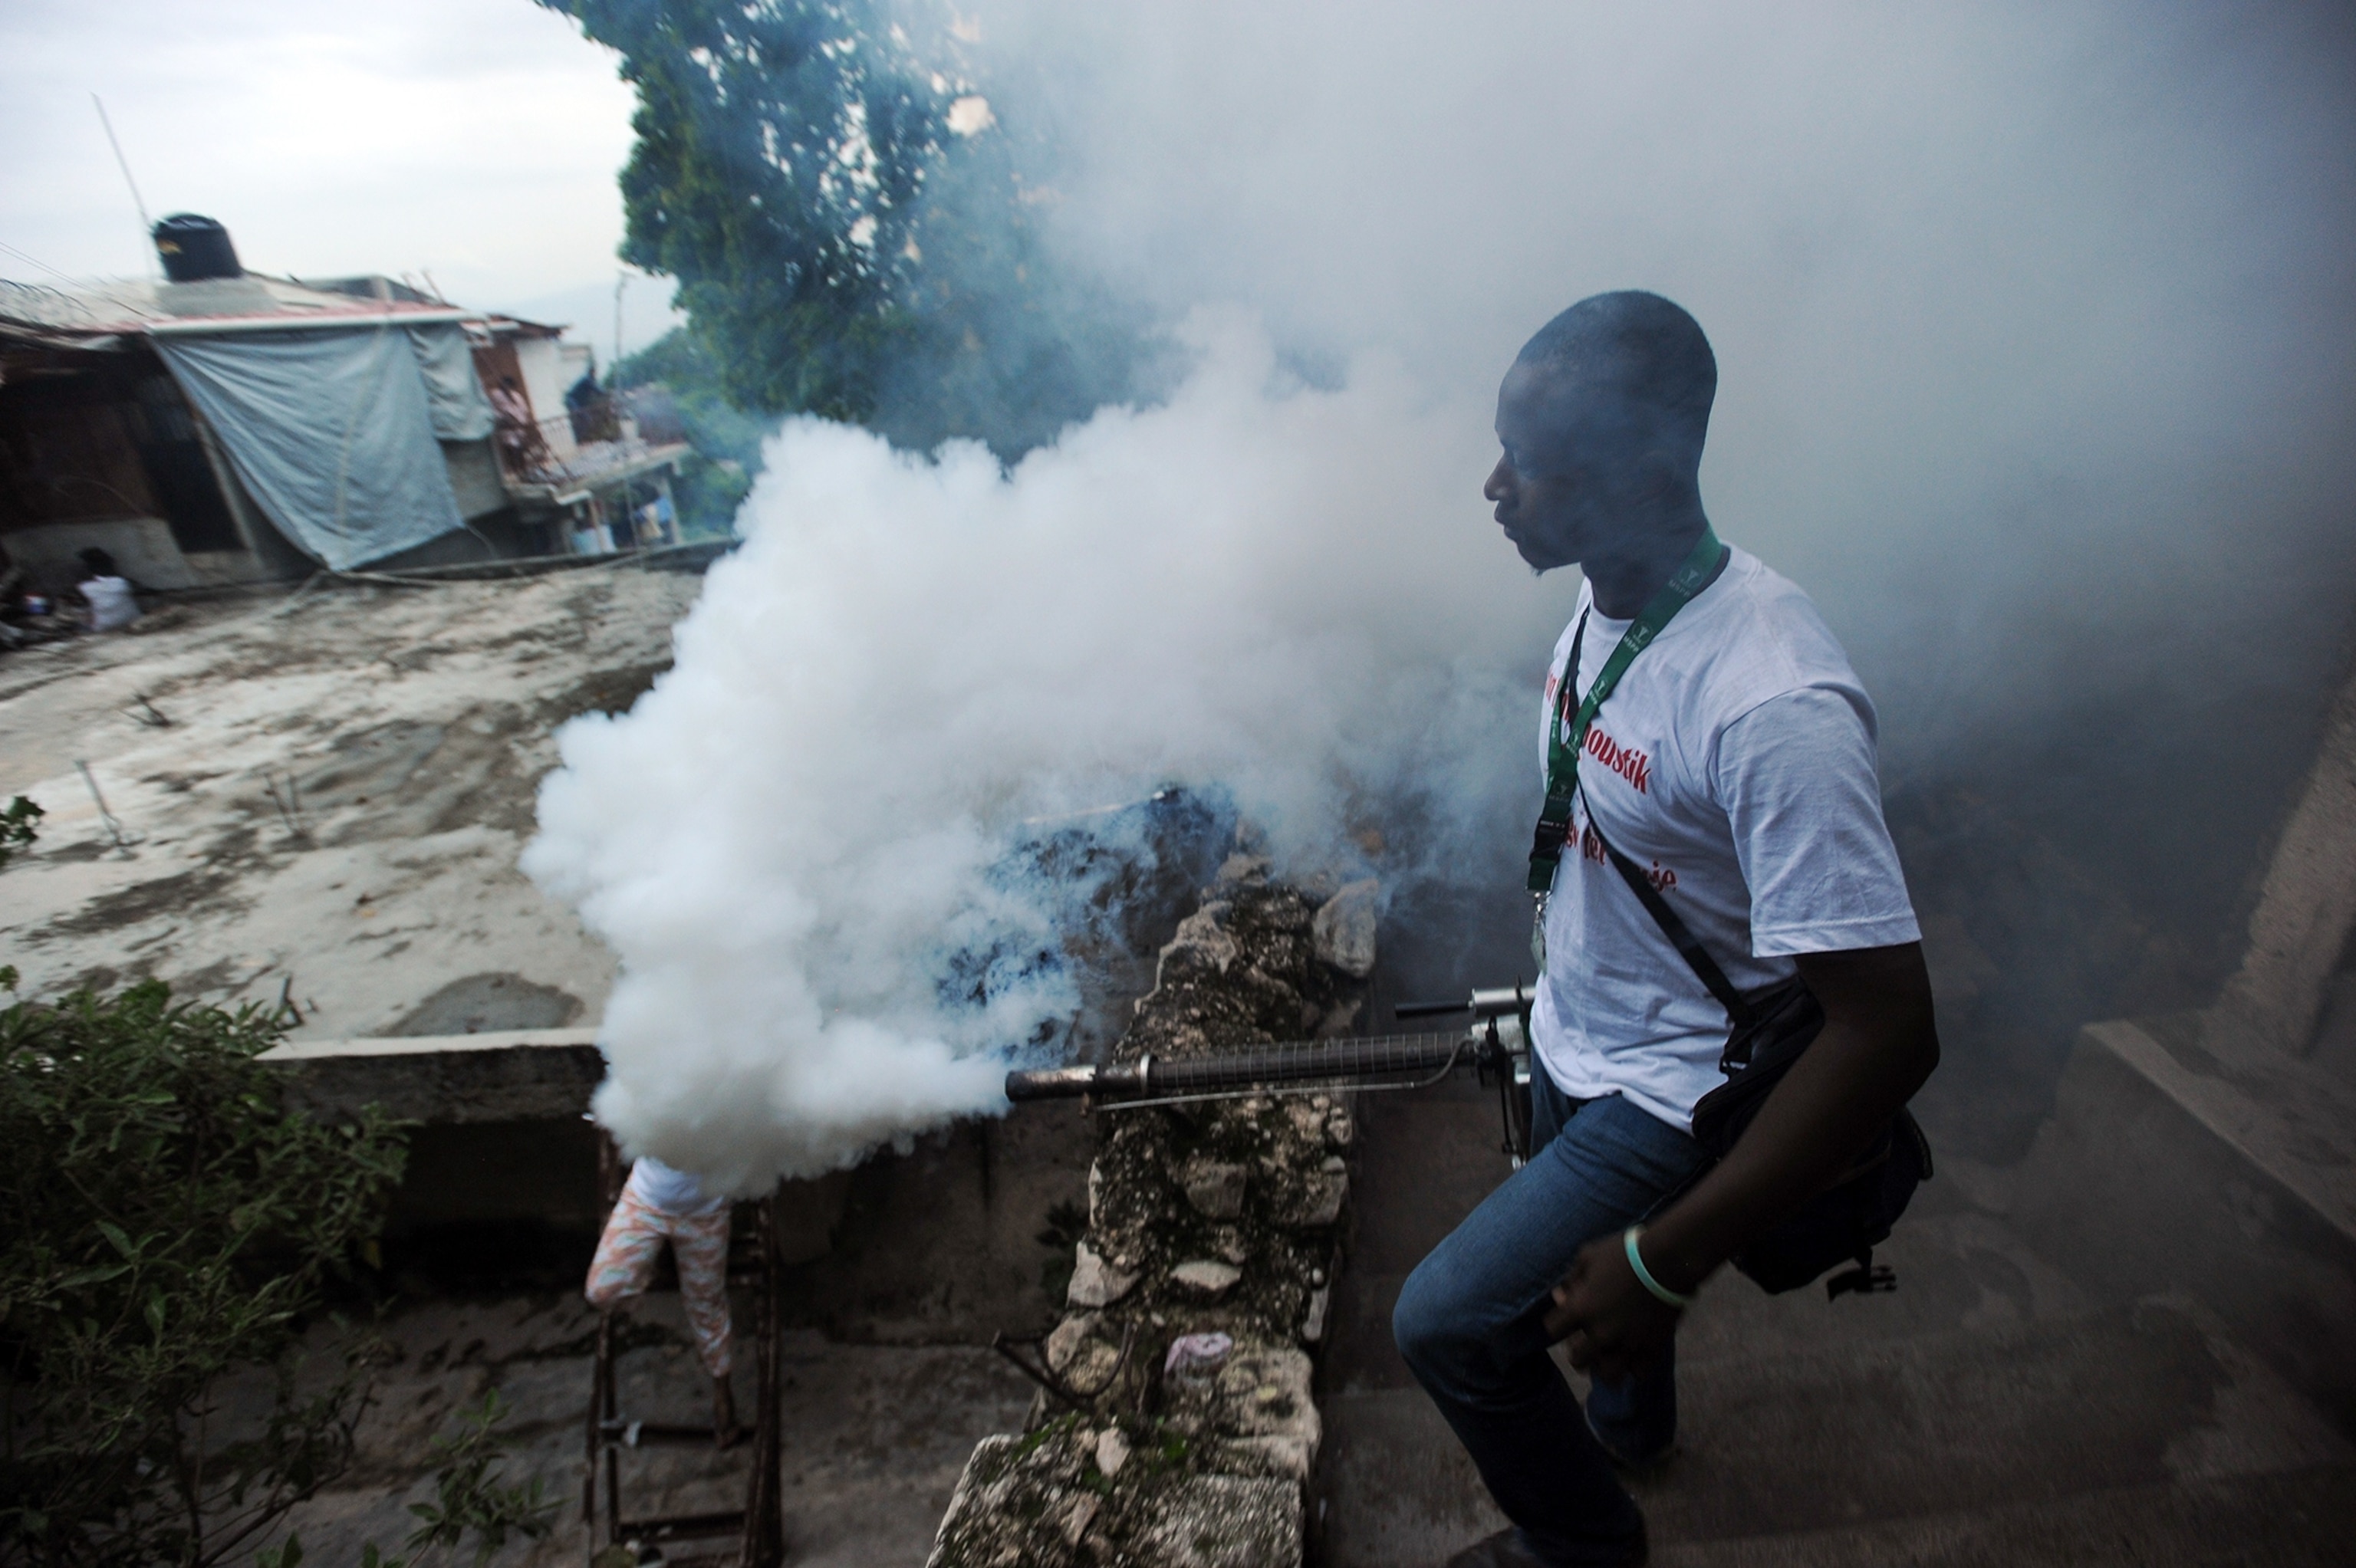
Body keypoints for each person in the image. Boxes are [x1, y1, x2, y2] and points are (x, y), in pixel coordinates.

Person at [1391, 291, 1940, 1568]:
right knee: (1584, 1301)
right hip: (1581, 1035)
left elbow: (1888, 1028)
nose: (1492, 487)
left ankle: (1582, 1543)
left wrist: (1670, 1257)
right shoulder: (1609, 598)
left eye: (1525, 461)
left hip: (1681, 1089)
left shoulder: (1770, 703)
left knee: (1446, 1324)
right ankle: (1628, 1432)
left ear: (1634, 470)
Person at [585, 1153, 742, 1445]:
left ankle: (722, 1389)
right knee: (602, 1290)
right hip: (645, 1201)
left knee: (706, 1303)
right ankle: (649, 1257)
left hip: (707, 1211)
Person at [75, 548, 140, 633]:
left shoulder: (85, 588)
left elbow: (81, 608)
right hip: (134, 619)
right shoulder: (124, 583)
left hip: (104, 627)